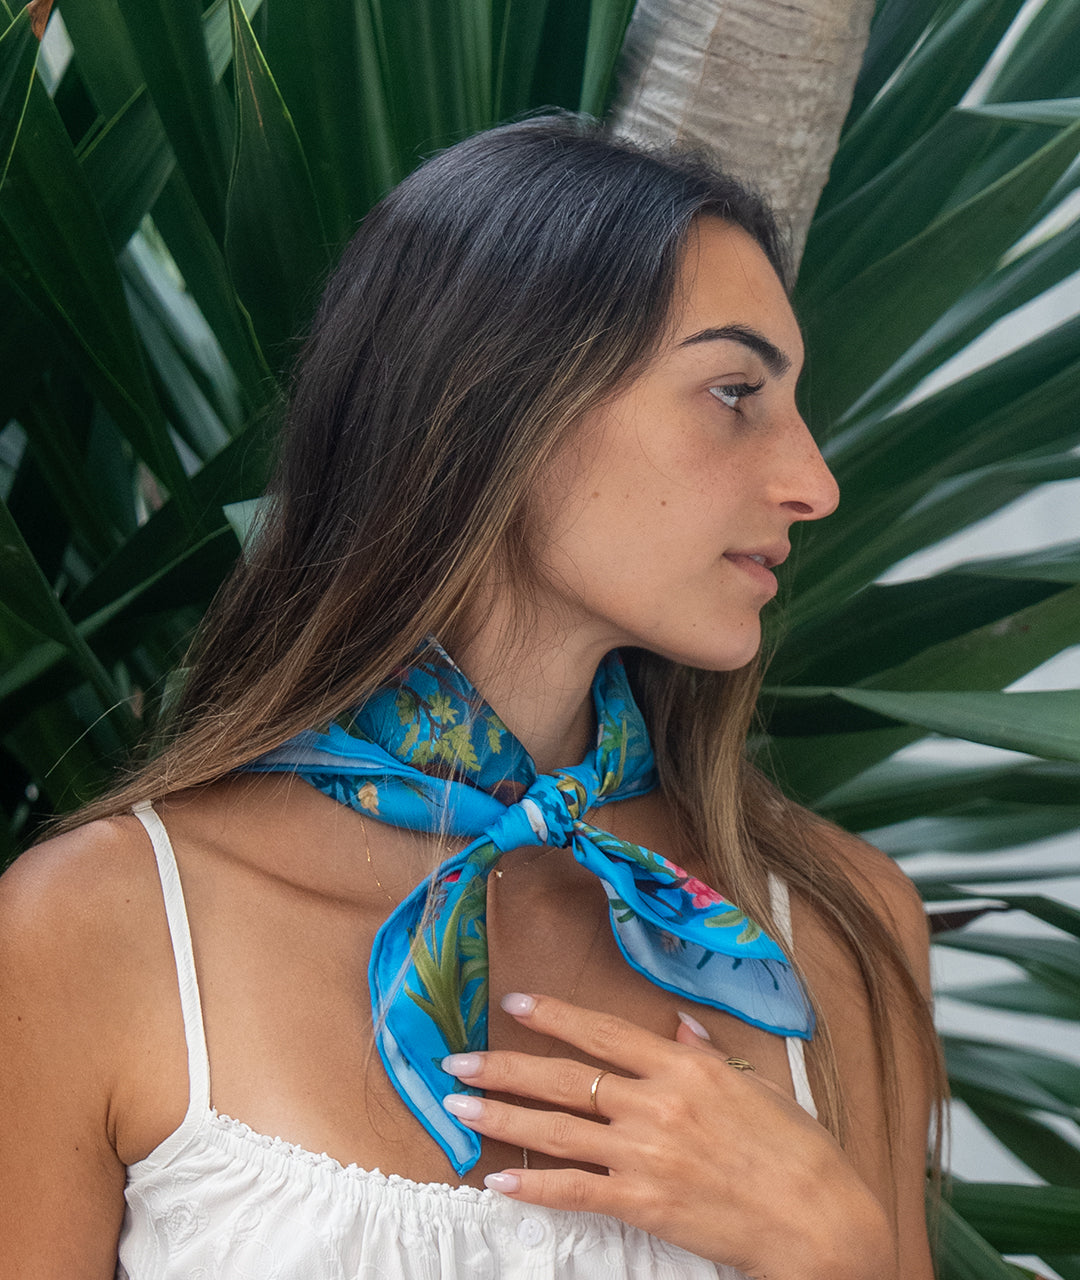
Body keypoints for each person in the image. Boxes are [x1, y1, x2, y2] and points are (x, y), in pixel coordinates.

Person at [0, 114, 945, 1279]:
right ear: (500, 402)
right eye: (733, 390)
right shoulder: (100, 924)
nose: (814, 482)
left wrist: (840, 1249)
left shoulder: (839, 923)